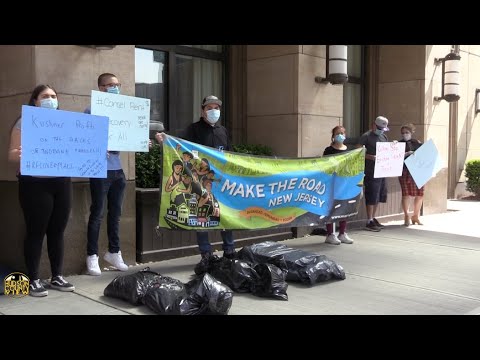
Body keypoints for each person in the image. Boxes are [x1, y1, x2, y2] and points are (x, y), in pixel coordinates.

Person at [7, 84, 75, 296]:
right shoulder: (24, 122)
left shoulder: (66, 123)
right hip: (35, 183)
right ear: (35, 100)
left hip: (62, 181)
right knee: (36, 231)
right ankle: (33, 279)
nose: (50, 99)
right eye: (45, 96)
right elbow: (11, 155)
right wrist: (19, 154)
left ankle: (57, 276)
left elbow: (77, 147)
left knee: (57, 231)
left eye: (54, 96)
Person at [155, 95, 236, 268]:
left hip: (220, 183)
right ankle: (206, 253)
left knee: (225, 216)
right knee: (202, 217)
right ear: (202, 111)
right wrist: (164, 140)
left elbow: (230, 154)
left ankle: (229, 251)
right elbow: (178, 144)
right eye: (209, 108)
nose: (214, 111)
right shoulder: (194, 129)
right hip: (200, 182)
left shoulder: (223, 131)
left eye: (217, 108)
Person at [85, 73, 128, 275]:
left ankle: (114, 252)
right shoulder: (91, 111)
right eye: (110, 85)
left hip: (118, 170)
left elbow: (128, 135)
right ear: (100, 88)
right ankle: (92, 256)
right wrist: (95, 147)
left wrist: (140, 143)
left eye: (117, 84)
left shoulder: (123, 111)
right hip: (99, 170)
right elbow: (82, 140)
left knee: (116, 215)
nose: (115, 88)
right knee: (97, 214)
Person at [346, 116, 390, 232]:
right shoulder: (366, 137)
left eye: (383, 128)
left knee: (379, 195)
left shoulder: (384, 136)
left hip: (382, 170)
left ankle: (373, 217)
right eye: (380, 128)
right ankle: (368, 220)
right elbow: (357, 152)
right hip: (370, 170)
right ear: (374, 125)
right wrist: (370, 157)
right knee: (372, 194)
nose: (381, 130)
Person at [323, 126, 354, 245]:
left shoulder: (349, 150)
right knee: (330, 208)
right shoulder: (329, 150)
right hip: (332, 183)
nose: (340, 135)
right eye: (337, 133)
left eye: (342, 133)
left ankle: (342, 233)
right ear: (333, 136)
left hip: (345, 183)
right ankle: (330, 234)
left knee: (343, 207)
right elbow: (325, 165)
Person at [398, 123, 424, 226]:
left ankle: (415, 216)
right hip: (404, 171)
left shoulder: (417, 143)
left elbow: (424, 156)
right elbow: (394, 157)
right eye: (403, 133)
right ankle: (406, 216)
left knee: (420, 194)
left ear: (411, 132)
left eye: (407, 132)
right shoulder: (398, 144)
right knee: (406, 194)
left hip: (417, 171)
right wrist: (405, 154)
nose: (405, 134)